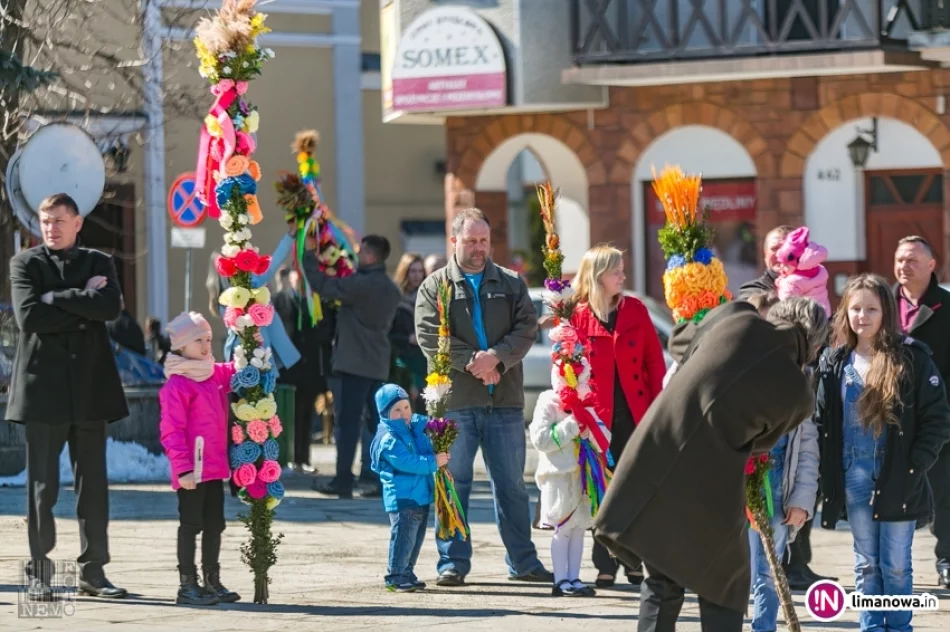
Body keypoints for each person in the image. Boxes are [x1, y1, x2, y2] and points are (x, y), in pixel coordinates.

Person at [593, 297, 829, 632]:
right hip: (713, 480)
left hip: (656, 451)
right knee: (723, 585)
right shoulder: (798, 392)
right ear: (815, 343)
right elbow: (761, 444)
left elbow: (678, 342)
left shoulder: (735, 316)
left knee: (662, 577)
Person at [415, 207, 551, 586]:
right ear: (454, 240)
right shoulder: (434, 286)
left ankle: (523, 562)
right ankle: (452, 563)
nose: (479, 248)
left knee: (511, 486)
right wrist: (476, 360)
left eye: (484, 241)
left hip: (505, 402)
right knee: (453, 484)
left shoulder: (510, 283)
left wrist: (499, 359)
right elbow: (430, 337)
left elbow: (526, 328)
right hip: (456, 403)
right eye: (472, 240)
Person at [6, 193, 130, 600]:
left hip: (91, 387)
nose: (50, 227)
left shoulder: (99, 262)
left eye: (58, 220)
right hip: (44, 390)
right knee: (43, 488)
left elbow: (110, 306)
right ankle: (40, 572)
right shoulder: (25, 264)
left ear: (78, 222)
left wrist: (56, 297)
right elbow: (29, 317)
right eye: (44, 221)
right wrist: (83, 299)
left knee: (93, 483)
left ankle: (93, 571)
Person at [816, 274, 950, 631]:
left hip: (898, 476)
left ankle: (899, 627)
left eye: (871, 309)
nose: (863, 316)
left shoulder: (912, 358)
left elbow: (937, 418)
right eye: (856, 308)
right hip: (853, 477)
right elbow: (820, 423)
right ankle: (872, 627)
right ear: (845, 312)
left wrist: (916, 463)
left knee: (895, 563)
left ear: (885, 312)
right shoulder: (833, 363)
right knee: (866, 562)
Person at [569, 245, 665, 588]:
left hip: (637, 416)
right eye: (616, 271)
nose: (623, 276)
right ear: (598, 277)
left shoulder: (635, 309)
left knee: (636, 491)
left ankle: (635, 560)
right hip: (598, 421)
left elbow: (654, 361)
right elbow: (566, 369)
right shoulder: (577, 317)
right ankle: (605, 562)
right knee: (601, 492)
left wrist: (658, 408)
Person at [159, 312, 253, 606]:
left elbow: (236, 371)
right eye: (198, 340)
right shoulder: (177, 385)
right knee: (190, 524)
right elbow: (172, 431)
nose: (205, 345)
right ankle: (187, 584)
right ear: (181, 346)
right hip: (192, 471)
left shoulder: (214, 374)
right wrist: (183, 467)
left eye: (209, 339)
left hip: (214, 468)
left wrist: (250, 343)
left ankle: (212, 580)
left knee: (215, 524)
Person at [302, 235, 402, 499]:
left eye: (361, 252)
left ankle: (343, 479)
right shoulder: (392, 290)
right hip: (378, 365)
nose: (357, 255)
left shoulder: (360, 285)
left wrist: (309, 256)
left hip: (353, 364)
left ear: (371, 257)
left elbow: (323, 285)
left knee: (346, 425)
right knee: (376, 425)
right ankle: (378, 480)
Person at [743, 298, 821, 632]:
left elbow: (807, 445)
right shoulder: (747, 369)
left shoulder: (803, 380)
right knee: (737, 567)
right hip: (738, 482)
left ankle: (764, 627)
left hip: (777, 485)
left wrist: (802, 498)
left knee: (767, 568)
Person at [892, 235, 950, 587]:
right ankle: (891, 565)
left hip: (937, 417)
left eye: (913, 259)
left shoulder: (946, 306)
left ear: (931, 265)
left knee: (943, 493)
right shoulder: (879, 303)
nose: (904, 265)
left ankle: (947, 558)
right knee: (892, 494)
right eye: (900, 259)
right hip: (891, 417)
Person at [370, 383, 448, 592]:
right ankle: (395, 575)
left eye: (406, 407)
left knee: (415, 539)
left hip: (420, 496)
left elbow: (425, 446)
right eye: (396, 410)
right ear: (385, 413)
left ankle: (407, 571)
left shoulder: (413, 430)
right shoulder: (389, 438)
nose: (403, 413)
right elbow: (407, 462)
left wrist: (435, 432)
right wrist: (433, 462)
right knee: (404, 537)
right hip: (403, 498)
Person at [529, 364, 598, 597]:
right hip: (558, 475)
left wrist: (590, 433)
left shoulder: (588, 400)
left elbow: (601, 434)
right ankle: (560, 580)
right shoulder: (548, 402)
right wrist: (571, 426)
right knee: (563, 526)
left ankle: (575, 577)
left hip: (582, 474)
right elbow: (540, 439)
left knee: (579, 527)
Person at [389, 253, 428, 406]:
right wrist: (408, 339)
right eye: (412, 271)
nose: (417, 275)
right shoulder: (395, 298)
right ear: (404, 271)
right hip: (401, 359)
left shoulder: (428, 297)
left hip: (423, 358)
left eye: (420, 271)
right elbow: (387, 333)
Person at [737, 225, 794, 300]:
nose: (781, 254)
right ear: (765, 255)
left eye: (787, 248)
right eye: (775, 248)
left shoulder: (814, 285)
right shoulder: (753, 292)